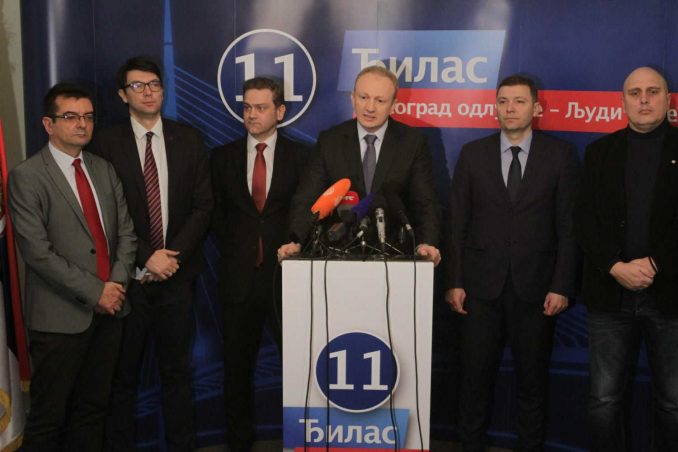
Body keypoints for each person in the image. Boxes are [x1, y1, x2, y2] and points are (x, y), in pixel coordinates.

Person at [445, 75, 578, 451]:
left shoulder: (560, 155)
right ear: (495, 107)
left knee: (532, 383)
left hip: (537, 289)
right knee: (473, 381)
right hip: (479, 289)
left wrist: (561, 285)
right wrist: (454, 281)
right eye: (503, 101)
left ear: (536, 107)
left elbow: (569, 226)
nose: (510, 108)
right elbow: (457, 224)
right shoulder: (473, 154)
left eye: (519, 101)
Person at [88, 56, 212, 451]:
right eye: (137, 86)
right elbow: (106, 212)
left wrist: (171, 258)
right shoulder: (105, 144)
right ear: (123, 95)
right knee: (122, 378)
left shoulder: (188, 138)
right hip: (127, 281)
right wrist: (146, 257)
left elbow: (203, 206)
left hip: (176, 278)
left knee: (177, 374)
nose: (148, 92)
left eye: (154, 84)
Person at [8, 83, 136, 451]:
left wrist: (114, 287)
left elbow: (126, 235)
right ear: (48, 124)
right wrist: (97, 292)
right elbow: (37, 253)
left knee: (92, 411)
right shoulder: (27, 176)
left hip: (109, 313)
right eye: (71, 117)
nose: (82, 124)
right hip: (59, 320)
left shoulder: (103, 169)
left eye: (88, 117)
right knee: (48, 419)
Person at [574, 66, 678, 452]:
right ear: (623, 101)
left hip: (670, 296)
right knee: (604, 401)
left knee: (673, 403)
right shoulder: (599, 152)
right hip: (610, 295)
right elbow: (583, 219)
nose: (644, 99)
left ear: (668, 99)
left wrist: (656, 264)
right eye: (635, 93)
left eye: (653, 91)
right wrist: (615, 266)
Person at [211, 76, 309, 452]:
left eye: (261, 107)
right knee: (236, 369)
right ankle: (239, 442)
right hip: (237, 279)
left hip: (287, 280)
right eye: (247, 107)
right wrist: (239, 249)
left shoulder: (303, 158)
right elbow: (216, 216)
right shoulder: (221, 158)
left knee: (299, 366)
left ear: (280, 111)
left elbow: (311, 214)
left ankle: (302, 440)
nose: (252, 115)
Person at [277, 65, 441, 264]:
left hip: (395, 256)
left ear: (393, 105)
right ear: (352, 97)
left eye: (380, 100)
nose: (370, 107)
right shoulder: (330, 141)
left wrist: (426, 243)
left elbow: (425, 203)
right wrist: (296, 241)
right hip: (337, 256)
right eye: (363, 97)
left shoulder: (412, 143)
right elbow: (307, 198)